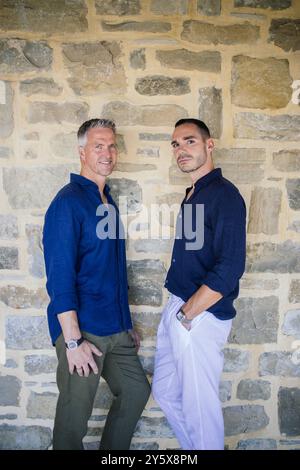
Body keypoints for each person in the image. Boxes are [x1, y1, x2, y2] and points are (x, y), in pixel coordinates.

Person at [43, 118, 150, 450]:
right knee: (74, 419)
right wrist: (73, 342)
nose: (107, 153)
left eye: (112, 145)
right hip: (83, 331)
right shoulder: (68, 202)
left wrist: (126, 323)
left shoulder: (108, 201)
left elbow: (113, 271)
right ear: (81, 152)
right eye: (98, 146)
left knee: (135, 391)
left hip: (115, 329)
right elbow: (59, 278)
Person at [152, 118, 246, 450]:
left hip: (199, 314)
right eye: (175, 144)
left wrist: (189, 313)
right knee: (164, 392)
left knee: (199, 410)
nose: (181, 150)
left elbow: (231, 266)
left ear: (209, 145)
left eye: (189, 141)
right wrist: (178, 311)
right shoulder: (193, 193)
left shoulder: (225, 195)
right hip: (178, 306)